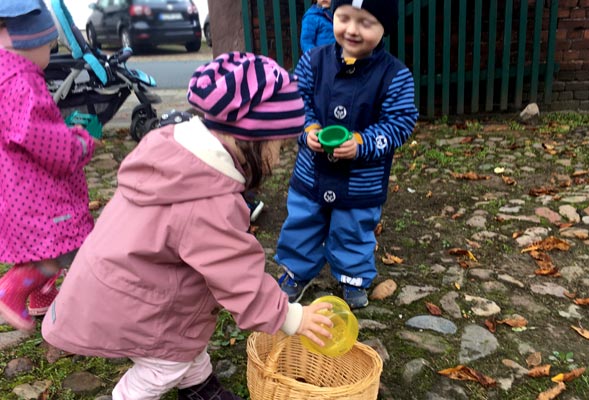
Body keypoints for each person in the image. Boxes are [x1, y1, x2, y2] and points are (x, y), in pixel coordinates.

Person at [42, 52, 334, 400]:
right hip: (134, 304)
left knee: (184, 341)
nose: (279, 157)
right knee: (165, 363)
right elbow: (237, 275)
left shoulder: (176, 151)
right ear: (252, 139)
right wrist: (290, 315)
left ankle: (199, 387)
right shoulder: (207, 201)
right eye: (280, 146)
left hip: (120, 283)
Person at [275, 0, 419, 309]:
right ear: (332, 16)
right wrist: (308, 129)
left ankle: (353, 276)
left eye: (366, 23)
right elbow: (295, 100)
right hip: (311, 172)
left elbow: (400, 122)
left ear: (384, 28)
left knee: (353, 229)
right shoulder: (313, 61)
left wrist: (362, 143)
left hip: (360, 181)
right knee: (302, 221)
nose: (352, 30)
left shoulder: (395, 75)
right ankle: (295, 272)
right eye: (344, 18)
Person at [0, 0, 96, 331]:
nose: (50, 56)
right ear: (26, 42)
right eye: (49, 47)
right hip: (37, 192)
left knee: (40, 244)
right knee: (65, 248)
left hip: (12, 185)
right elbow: (49, 145)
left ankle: (42, 296)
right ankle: (13, 289)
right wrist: (80, 143)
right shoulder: (22, 84)